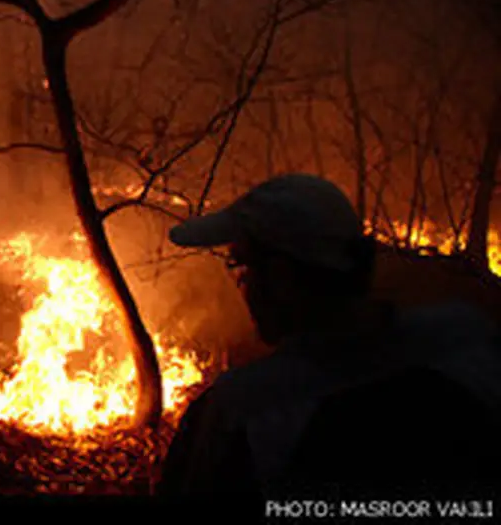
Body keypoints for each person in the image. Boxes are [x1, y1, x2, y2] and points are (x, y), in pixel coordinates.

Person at [156, 173, 501, 502]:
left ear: (280, 277)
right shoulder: (467, 342)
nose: (240, 283)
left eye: (240, 266)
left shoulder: (244, 410)